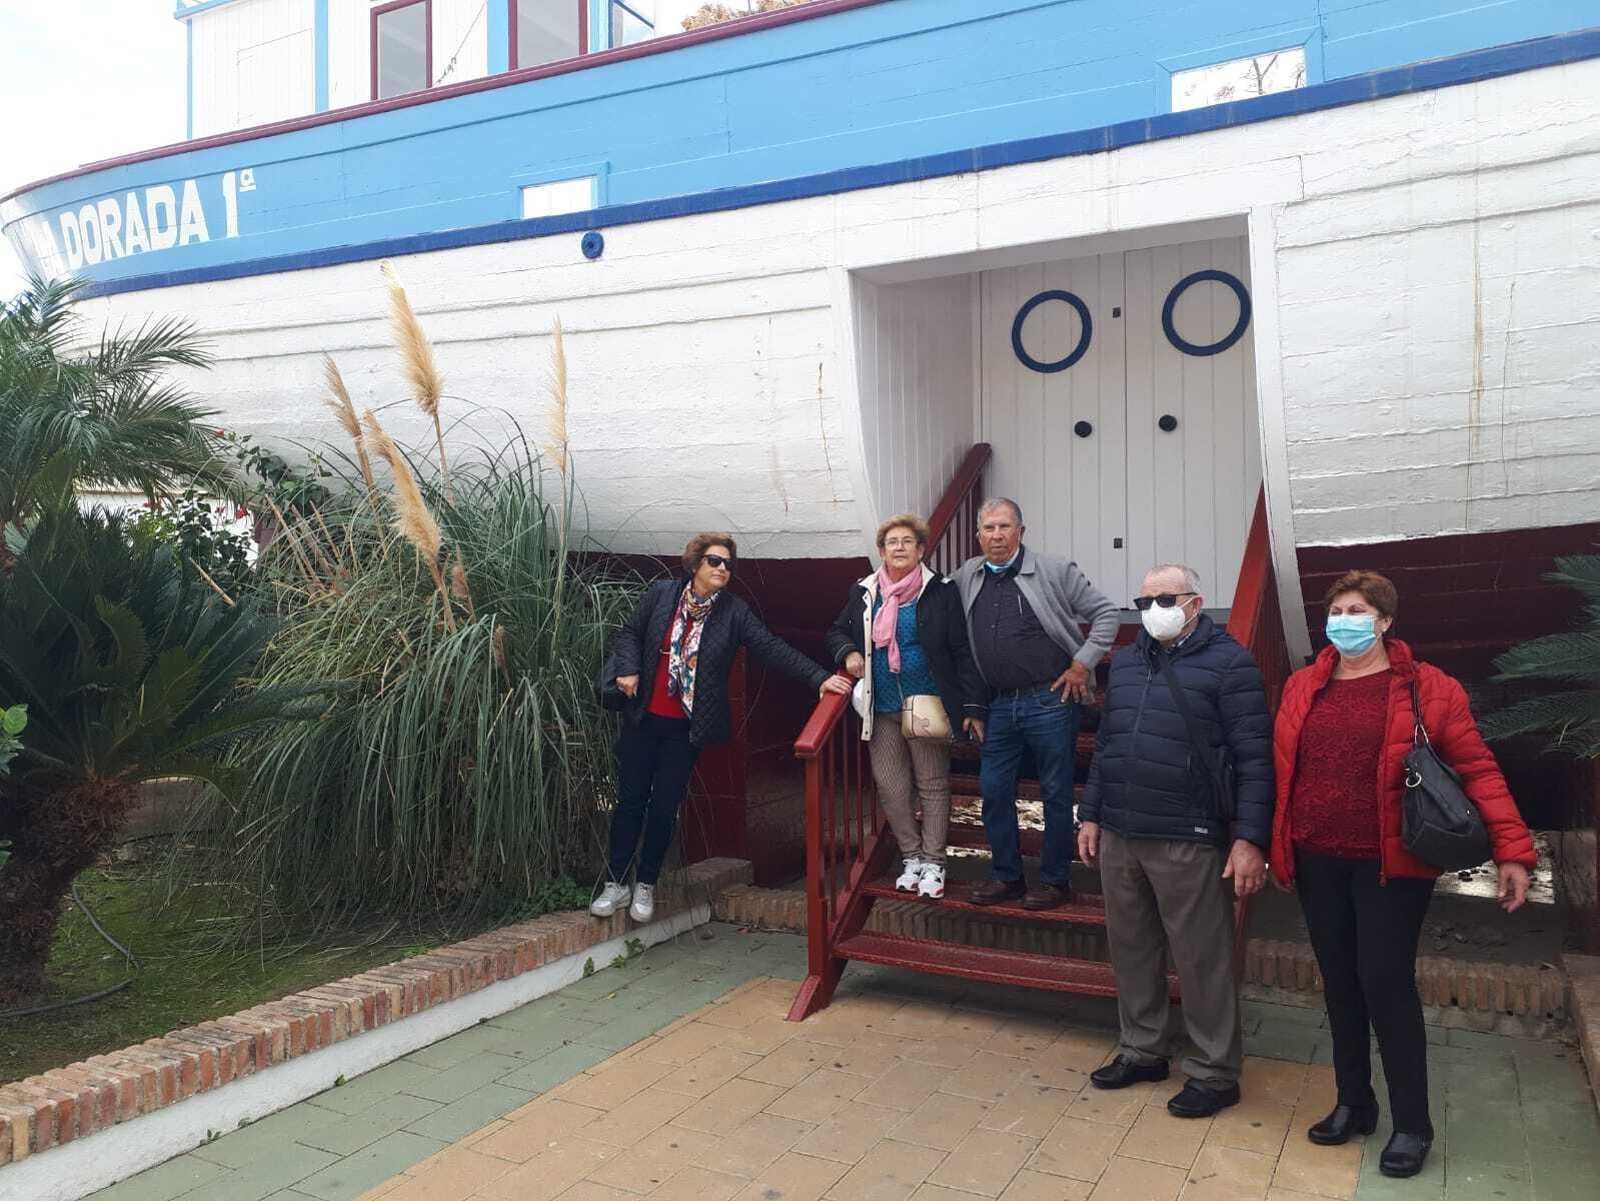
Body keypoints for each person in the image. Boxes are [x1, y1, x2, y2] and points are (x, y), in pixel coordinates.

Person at [1269, 570, 1533, 1178]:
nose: (1343, 619)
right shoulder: (1305, 684)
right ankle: (1354, 1104)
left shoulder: (1429, 689)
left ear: (1385, 621)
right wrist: (1271, 843)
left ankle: (1412, 1124)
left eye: (1357, 609)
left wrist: (1513, 850)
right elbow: (1284, 771)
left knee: (1385, 983)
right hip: (1317, 860)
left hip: (1392, 867)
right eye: (1335, 610)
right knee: (1339, 984)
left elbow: (1477, 769)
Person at [1077, 563, 1273, 1119]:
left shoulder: (1230, 663)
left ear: (1195, 602)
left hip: (1187, 834)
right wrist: (1091, 815)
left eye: (1167, 598)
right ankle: (1143, 1049)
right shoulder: (1130, 660)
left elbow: (1255, 759)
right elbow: (1108, 744)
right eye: (1144, 601)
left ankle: (1214, 1071)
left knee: (1200, 956)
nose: (1154, 610)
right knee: (1132, 949)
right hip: (1121, 829)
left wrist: (1250, 839)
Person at [595, 533, 851, 922]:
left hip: (685, 730)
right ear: (695, 564)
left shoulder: (734, 612)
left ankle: (646, 883)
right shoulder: (663, 594)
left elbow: (770, 647)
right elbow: (630, 633)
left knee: (664, 808)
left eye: (729, 564)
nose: (722, 569)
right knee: (630, 802)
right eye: (714, 561)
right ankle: (616, 884)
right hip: (642, 719)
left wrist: (819, 678)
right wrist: (628, 669)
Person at [956, 498, 1119, 910]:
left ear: (1021, 532)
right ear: (978, 536)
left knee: (1056, 793)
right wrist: (972, 705)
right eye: (989, 529)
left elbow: (1106, 614)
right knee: (993, 790)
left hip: (1051, 699)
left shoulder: (1055, 569)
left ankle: (1055, 881)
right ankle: (1006, 876)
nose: (996, 535)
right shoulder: (966, 577)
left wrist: (1083, 663)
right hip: (997, 706)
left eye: (1005, 527)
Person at [827, 514, 988, 899]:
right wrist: (847, 651)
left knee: (931, 785)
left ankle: (934, 862)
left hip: (928, 704)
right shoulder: (865, 592)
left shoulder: (940, 591)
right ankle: (911, 856)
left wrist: (971, 705)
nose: (899, 548)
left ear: (920, 550)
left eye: (907, 541)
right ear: (881, 551)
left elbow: (961, 650)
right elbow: (836, 631)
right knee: (892, 786)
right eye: (891, 542)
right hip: (881, 706)